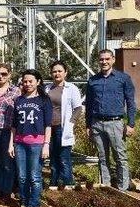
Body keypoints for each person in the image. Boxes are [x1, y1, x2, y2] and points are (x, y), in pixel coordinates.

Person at [85, 49, 136, 191]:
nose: (104, 62)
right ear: (98, 61)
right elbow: (88, 105)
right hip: (96, 123)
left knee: (120, 156)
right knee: (102, 157)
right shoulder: (93, 80)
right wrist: (88, 125)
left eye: (107, 59)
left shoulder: (123, 78)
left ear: (113, 60)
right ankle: (106, 186)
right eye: (101, 59)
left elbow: (131, 103)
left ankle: (123, 188)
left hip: (115, 123)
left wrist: (131, 123)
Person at [9, 69, 52, 207]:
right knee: (21, 176)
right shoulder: (18, 100)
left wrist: (46, 145)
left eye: (30, 81)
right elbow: (14, 125)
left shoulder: (44, 100)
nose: (27, 84)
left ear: (38, 82)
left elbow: (48, 125)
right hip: (19, 143)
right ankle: (23, 203)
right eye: (25, 81)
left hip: (37, 144)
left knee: (34, 177)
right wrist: (11, 144)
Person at [45, 61, 83, 187]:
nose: (57, 74)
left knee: (64, 158)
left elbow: (78, 108)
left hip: (63, 128)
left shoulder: (71, 88)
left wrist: (71, 123)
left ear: (65, 73)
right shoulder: (47, 88)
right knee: (53, 159)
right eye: (54, 71)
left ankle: (68, 185)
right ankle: (54, 185)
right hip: (49, 129)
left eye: (59, 71)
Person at [0, 63, 20, 198]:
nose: (0, 76)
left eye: (4, 74)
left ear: (9, 75)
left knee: (7, 163)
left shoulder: (15, 91)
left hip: (8, 131)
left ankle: (6, 191)